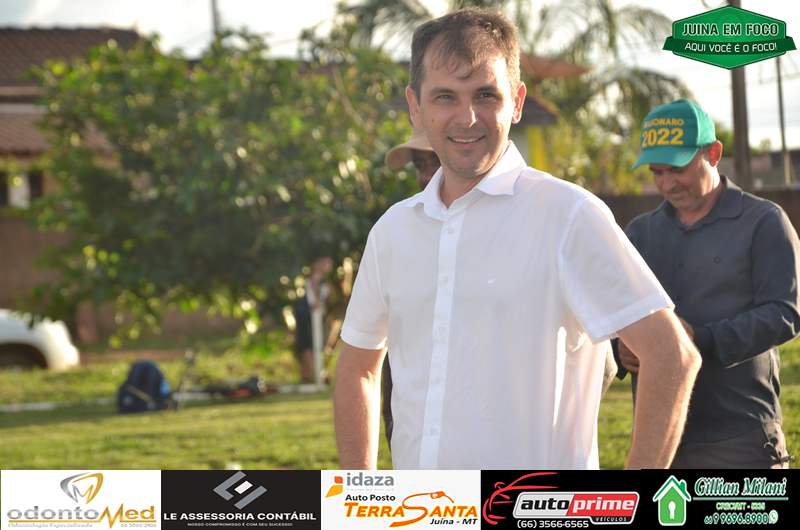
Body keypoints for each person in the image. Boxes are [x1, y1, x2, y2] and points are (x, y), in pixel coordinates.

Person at [334, 8, 700, 470]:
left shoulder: (568, 215)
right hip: (422, 505)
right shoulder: (393, 231)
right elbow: (358, 368)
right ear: (415, 106)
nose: (467, 117)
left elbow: (671, 356)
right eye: (445, 96)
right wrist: (361, 495)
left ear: (518, 101)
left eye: (486, 95)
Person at [380, 128, 619, 445]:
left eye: (433, 162)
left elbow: (608, 365)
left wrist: (553, 431)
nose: (425, 176)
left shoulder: (548, 223)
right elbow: (388, 355)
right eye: (419, 165)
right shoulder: (407, 234)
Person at [617, 99, 800, 468]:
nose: (667, 183)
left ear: (713, 153)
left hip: (740, 436)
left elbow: (785, 313)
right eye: (657, 172)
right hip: (660, 437)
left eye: (678, 168)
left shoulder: (763, 221)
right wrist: (620, 346)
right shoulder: (640, 234)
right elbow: (614, 312)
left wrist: (698, 340)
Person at [293, 256, 334, 384]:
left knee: (315, 344)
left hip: (316, 317)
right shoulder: (313, 279)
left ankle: (315, 374)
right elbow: (314, 301)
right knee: (307, 344)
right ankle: (312, 375)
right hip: (306, 316)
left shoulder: (323, 281)